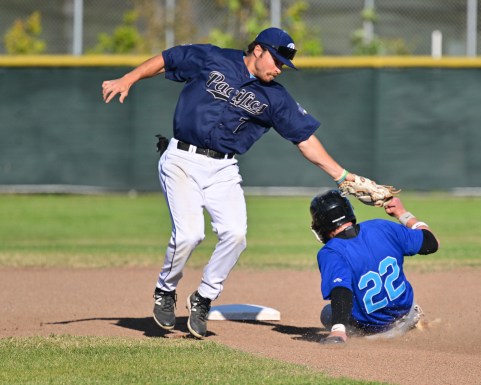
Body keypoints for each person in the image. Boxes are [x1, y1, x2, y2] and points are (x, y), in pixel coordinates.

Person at [101, 27, 374, 339]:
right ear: (257, 50)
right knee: (190, 234)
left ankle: (202, 299)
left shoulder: (275, 96)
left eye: (284, 64)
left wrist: (342, 176)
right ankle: (165, 290)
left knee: (236, 234)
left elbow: (305, 141)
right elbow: (168, 58)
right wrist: (128, 79)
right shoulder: (213, 58)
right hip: (181, 159)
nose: (279, 68)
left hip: (223, 168)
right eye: (276, 59)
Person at [309, 190, 440, 344]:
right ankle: (413, 324)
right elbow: (431, 243)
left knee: (327, 313)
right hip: (409, 314)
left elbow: (341, 290)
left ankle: (372, 337)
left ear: (320, 225)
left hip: (375, 331)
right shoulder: (381, 226)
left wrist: (338, 331)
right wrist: (402, 213)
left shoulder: (331, 251)